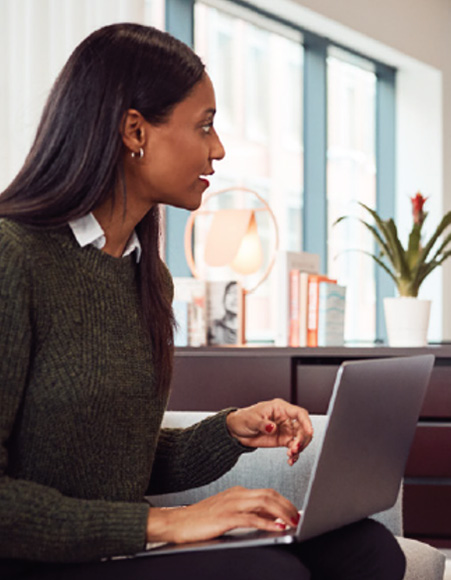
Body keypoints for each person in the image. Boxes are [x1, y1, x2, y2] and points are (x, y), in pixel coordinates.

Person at [0, 23, 404, 580]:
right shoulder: (13, 257)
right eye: (205, 126)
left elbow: (116, 460)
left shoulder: (146, 276)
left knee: (367, 548)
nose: (218, 149)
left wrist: (231, 430)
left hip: (116, 542)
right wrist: (166, 524)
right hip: (36, 558)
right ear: (134, 131)